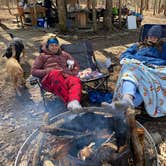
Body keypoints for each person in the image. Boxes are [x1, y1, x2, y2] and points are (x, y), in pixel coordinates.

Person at [103, 25, 166, 117]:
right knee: (129, 68)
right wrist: (137, 59)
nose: (152, 39)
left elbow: (164, 61)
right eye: (150, 36)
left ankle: (123, 104)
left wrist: (145, 61)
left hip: (152, 71)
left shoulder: (163, 47)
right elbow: (124, 56)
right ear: (147, 36)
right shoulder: (138, 46)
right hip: (136, 69)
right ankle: (127, 98)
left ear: (159, 38)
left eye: (155, 37)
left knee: (133, 75)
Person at [31, 36, 82, 111]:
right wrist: (48, 71)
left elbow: (75, 66)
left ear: (58, 46)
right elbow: (34, 71)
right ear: (47, 46)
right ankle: (68, 103)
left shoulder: (64, 54)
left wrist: (72, 73)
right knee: (55, 73)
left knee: (75, 80)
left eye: (56, 45)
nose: (54, 47)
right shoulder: (42, 56)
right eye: (52, 45)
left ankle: (73, 102)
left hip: (65, 77)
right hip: (50, 80)